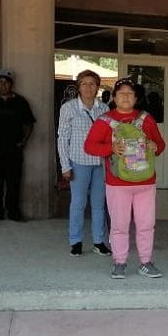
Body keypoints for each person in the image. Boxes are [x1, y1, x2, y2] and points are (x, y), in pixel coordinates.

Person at [84, 79, 167, 279]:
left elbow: (160, 144)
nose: (126, 97)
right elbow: (89, 146)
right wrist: (110, 149)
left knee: (146, 224)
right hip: (118, 183)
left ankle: (146, 262)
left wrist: (155, 147)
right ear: (114, 97)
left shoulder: (146, 119)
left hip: (145, 181)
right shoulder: (104, 120)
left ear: (136, 98)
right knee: (119, 225)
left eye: (130, 94)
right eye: (121, 93)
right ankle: (119, 262)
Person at [57, 69, 111, 257]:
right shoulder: (68, 108)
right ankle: (76, 241)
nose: (88, 87)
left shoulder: (104, 109)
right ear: (78, 87)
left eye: (92, 83)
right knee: (78, 203)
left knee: (99, 204)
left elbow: (110, 136)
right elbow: (62, 138)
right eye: (84, 84)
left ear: (97, 87)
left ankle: (98, 241)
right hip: (78, 161)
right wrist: (65, 166)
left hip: (100, 163)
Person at [0, 69, 35, 222]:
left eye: (6, 82)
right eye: (0, 82)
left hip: (14, 149)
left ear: (11, 84)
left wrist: (23, 141)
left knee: (14, 182)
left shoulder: (20, 102)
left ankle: (13, 212)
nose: (3, 85)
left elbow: (29, 124)